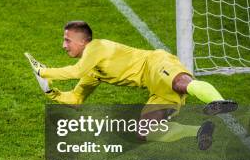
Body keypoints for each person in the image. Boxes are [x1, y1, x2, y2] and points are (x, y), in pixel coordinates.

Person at [26, 21, 238, 150]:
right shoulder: (92, 72)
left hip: (155, 64)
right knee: (144, 131)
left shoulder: (97, 47)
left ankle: (217, 101)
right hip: (154, 87)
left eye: (67, 40)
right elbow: (76, 99)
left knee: (179, 82)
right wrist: (50, 91)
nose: (63, 45)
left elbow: (76, 71)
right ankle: (200, 130)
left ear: (83, 41)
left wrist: (43, 71)